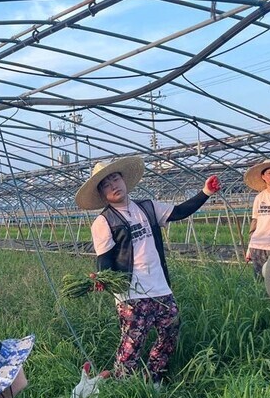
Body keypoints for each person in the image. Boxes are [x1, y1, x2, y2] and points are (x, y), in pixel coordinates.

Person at [75, 157, 221, 384]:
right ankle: (123, 384)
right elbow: (104, 260)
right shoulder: (103, 222)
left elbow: (180, 211)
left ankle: (154, 377)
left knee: (170, 332)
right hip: (131, 293)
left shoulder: (148, 208)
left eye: (115, 178)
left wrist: (205, 192)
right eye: (106, 184)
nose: (113, 185)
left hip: (160, 286)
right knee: (133, 343)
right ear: (103, 193)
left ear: (124, 181)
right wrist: (102, 279)